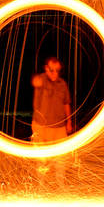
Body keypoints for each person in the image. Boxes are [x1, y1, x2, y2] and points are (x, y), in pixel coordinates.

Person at [30, 57, 73, 185]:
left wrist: (69, 122)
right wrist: (35, 79)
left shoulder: (62, 84)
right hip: (41, 127)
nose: (55, 73)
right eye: (51, 70)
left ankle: (60, 186)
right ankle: (41, 188)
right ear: (46, 69)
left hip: (59, 128)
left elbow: (66, 104)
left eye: (57, 70)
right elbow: (35, 81)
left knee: (60, 160)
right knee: (42, 160)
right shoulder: (42, 80)